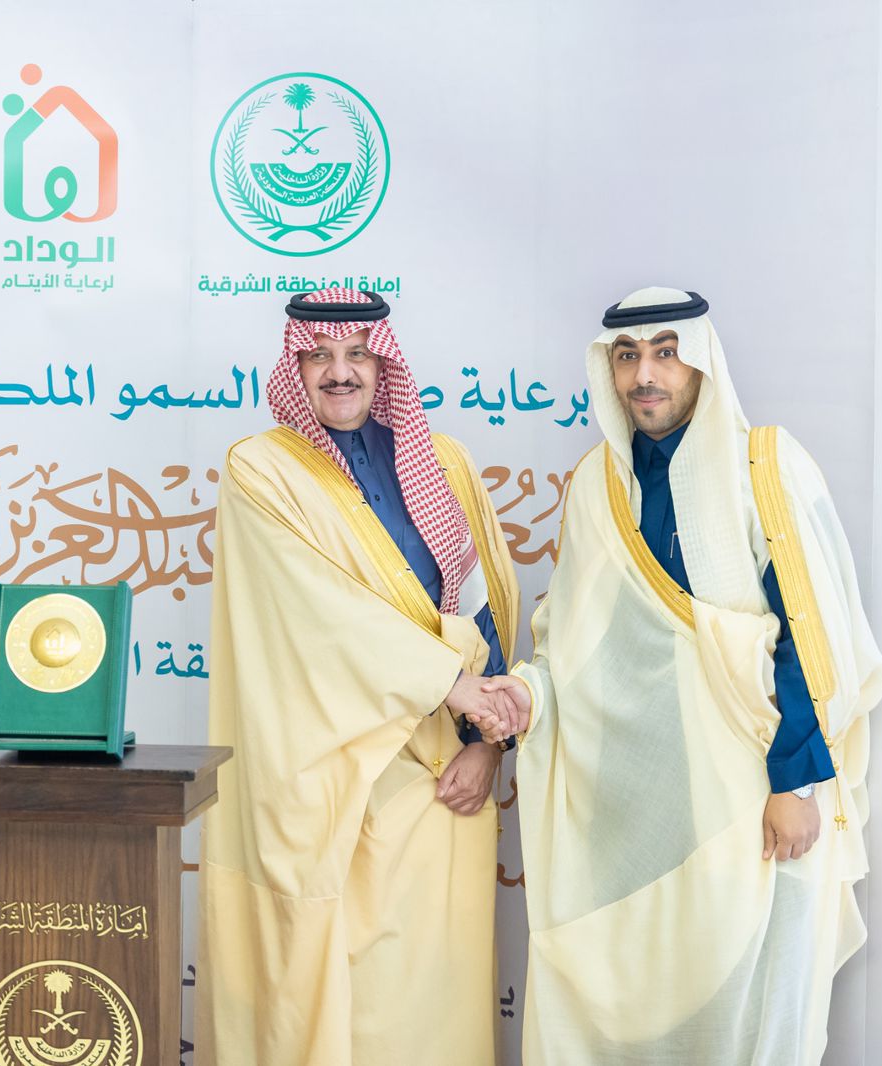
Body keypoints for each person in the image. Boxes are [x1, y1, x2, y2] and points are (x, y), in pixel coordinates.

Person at [471, 287, 882, 1065]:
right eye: (627, 356)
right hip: (638, 813)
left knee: (751, 1010)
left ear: (700, 362)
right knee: (638, 1009)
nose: (645, 375)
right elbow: (574, 643)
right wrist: (526, 692)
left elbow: (808, 636)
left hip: (755, 798)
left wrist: (794, 784)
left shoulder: (764, 467)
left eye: (666, 353)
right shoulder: (596, 484)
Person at [197, 288, 521, 1066]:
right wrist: (449, 684)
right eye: (319, 356)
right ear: (296, 367)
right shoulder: (262, 470)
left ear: (385, 366)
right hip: (329, 776)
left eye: (356, 356)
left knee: (432, 1000)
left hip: (445, 770)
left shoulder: (445, 462)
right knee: (336, 997)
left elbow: (482, 606)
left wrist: (487, 746)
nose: (339, 373)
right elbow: (318, 614)